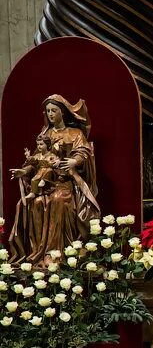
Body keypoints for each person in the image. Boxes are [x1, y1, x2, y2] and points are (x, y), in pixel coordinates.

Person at [9, 95, 101, 264]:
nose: (50, 114)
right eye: (48, 111)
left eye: (54, 110)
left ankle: (57, 253)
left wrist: (75, 161)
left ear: (63, 112)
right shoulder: (45, 134)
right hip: (45, 184)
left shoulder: (75, 133)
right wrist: (24, 171)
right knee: (34, 204)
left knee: (58, 200)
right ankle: (38, 252)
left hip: (65, 182)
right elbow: (37, 160)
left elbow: (84, 153)